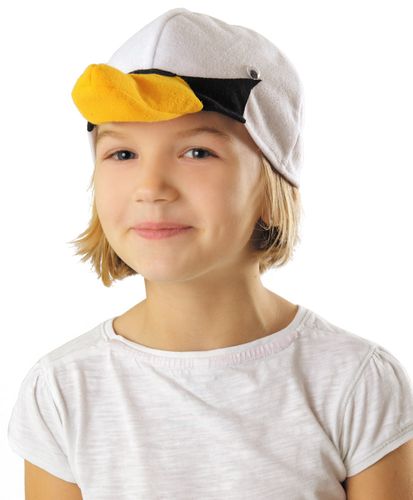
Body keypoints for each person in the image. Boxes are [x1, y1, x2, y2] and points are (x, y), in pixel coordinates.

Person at [7, 8, 413, 500]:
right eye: (122, 154)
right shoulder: (62, 390)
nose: (151, 187)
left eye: (197, 152)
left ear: (272, 184)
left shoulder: (354, 381)